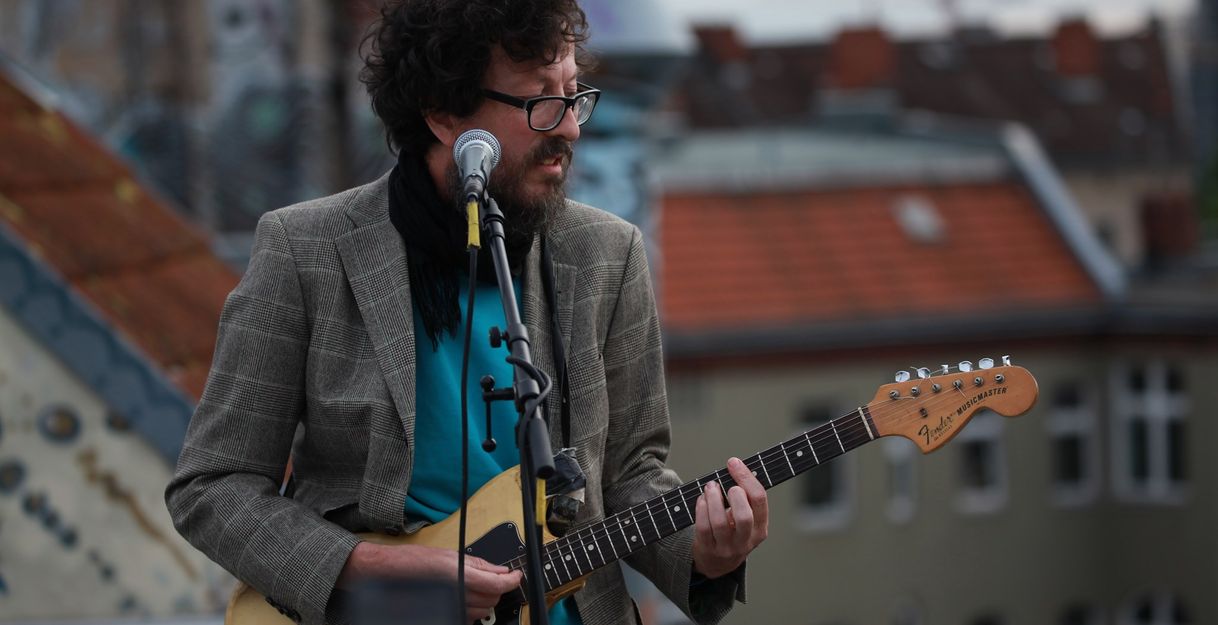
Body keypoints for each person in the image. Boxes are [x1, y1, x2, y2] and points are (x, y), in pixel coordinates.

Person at [165, 1, 768, 624]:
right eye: (540, 103)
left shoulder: (608, 256)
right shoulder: (307, 252)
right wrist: (367, 567)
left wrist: (704, 553)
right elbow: (213, 488)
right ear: (446, 117)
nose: (570, 129)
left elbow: (629, 475)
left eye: (573, 96)